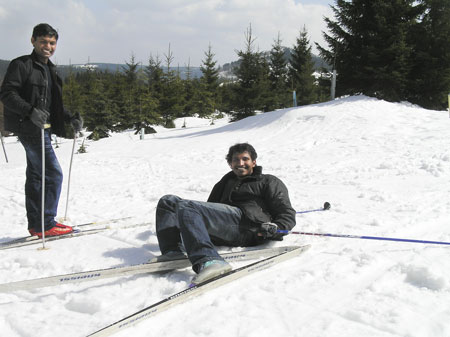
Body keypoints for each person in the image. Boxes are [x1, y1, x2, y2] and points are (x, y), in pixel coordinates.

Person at [153, 143, 296, 285]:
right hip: (225, 229)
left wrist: (276, 228)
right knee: (168, 201)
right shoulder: (224, 182)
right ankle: (173, 252)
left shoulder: (268, 181)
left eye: (245, 159)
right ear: (230, 163)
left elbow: (286, 212)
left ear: (254, 162)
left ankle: (209, 260)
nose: (240, 163)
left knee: (188, 206)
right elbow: (207, 209)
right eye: (235, 160)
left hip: (248, 228)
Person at [0, 23, 83, 238]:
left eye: (52, 43)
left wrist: (70, 117)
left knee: (37, 176)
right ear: (33, 41)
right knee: (52, 174)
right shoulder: (22, 65)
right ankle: (46, 224)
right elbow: (7, 94)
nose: (48, 46)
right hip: (28, 128)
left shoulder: (50, 69)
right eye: (43, 42)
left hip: (41, 128)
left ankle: (37, 224)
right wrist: (30, 111)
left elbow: (52, 105)